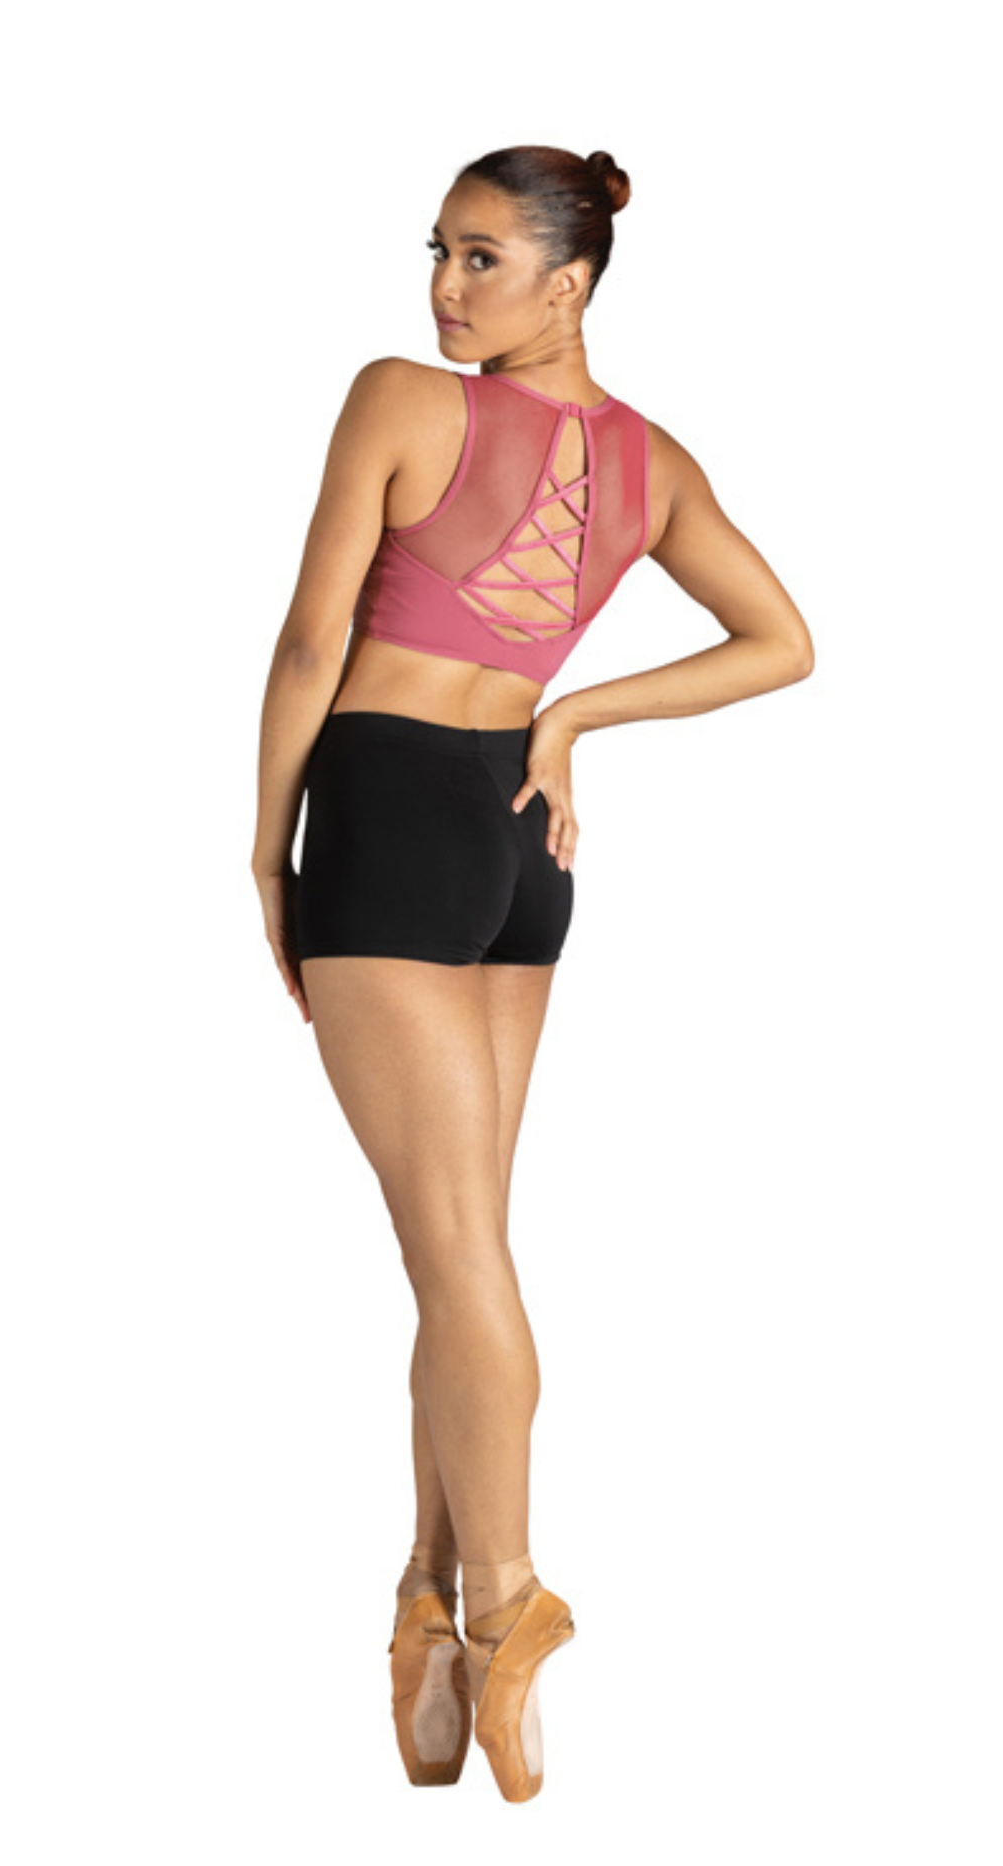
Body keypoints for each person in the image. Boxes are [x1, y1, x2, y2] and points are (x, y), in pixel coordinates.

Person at [251, 144, 814, 1802]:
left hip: (390, 810)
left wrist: (267, 845)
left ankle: (508, 1603)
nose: (446, 288)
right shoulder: (651, 464)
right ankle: (424, 1603)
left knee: (459, 1257)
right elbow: (781, 641)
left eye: (483, 258)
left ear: (570, 282)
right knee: (462, 1256)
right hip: (519, 837)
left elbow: (312, 640)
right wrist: (566, 717)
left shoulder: (398, 401)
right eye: (438, 250)